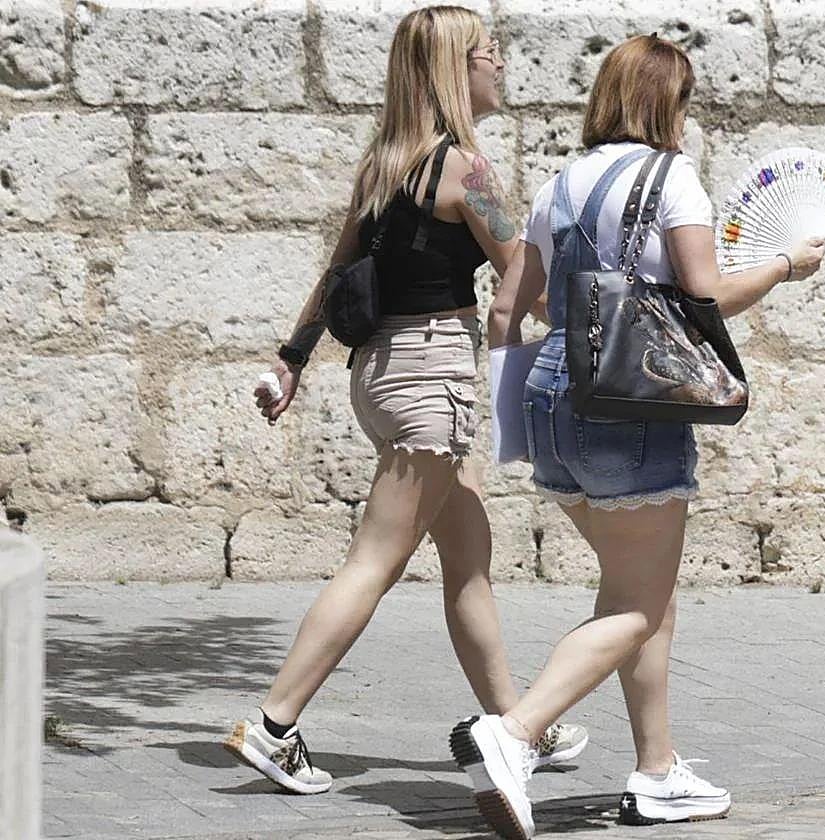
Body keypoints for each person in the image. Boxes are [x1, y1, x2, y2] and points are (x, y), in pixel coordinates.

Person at [453, 34, 825, 837]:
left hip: (553, 397)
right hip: (631, 407)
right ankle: (513, 733)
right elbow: (705, 295)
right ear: (666, 102)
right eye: (685, 101)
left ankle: (657, 771)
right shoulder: (674, 179)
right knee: (640, 601)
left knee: (633, 594)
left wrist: (507, 415)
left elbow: (509, 309)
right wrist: (787, 265)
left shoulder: (562, 181)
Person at [222, 5, 585, 795]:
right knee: (375, 561)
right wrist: (588, 338)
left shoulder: (387, 162)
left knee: (468, 557)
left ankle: (517, 724)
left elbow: (335, 273)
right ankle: (275, 727)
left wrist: (291, 362)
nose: (501, 66)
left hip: (381, 374)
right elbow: (520, 274)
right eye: (490, 54)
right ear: (457, 70)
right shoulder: (467, 169)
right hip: (431, 376)